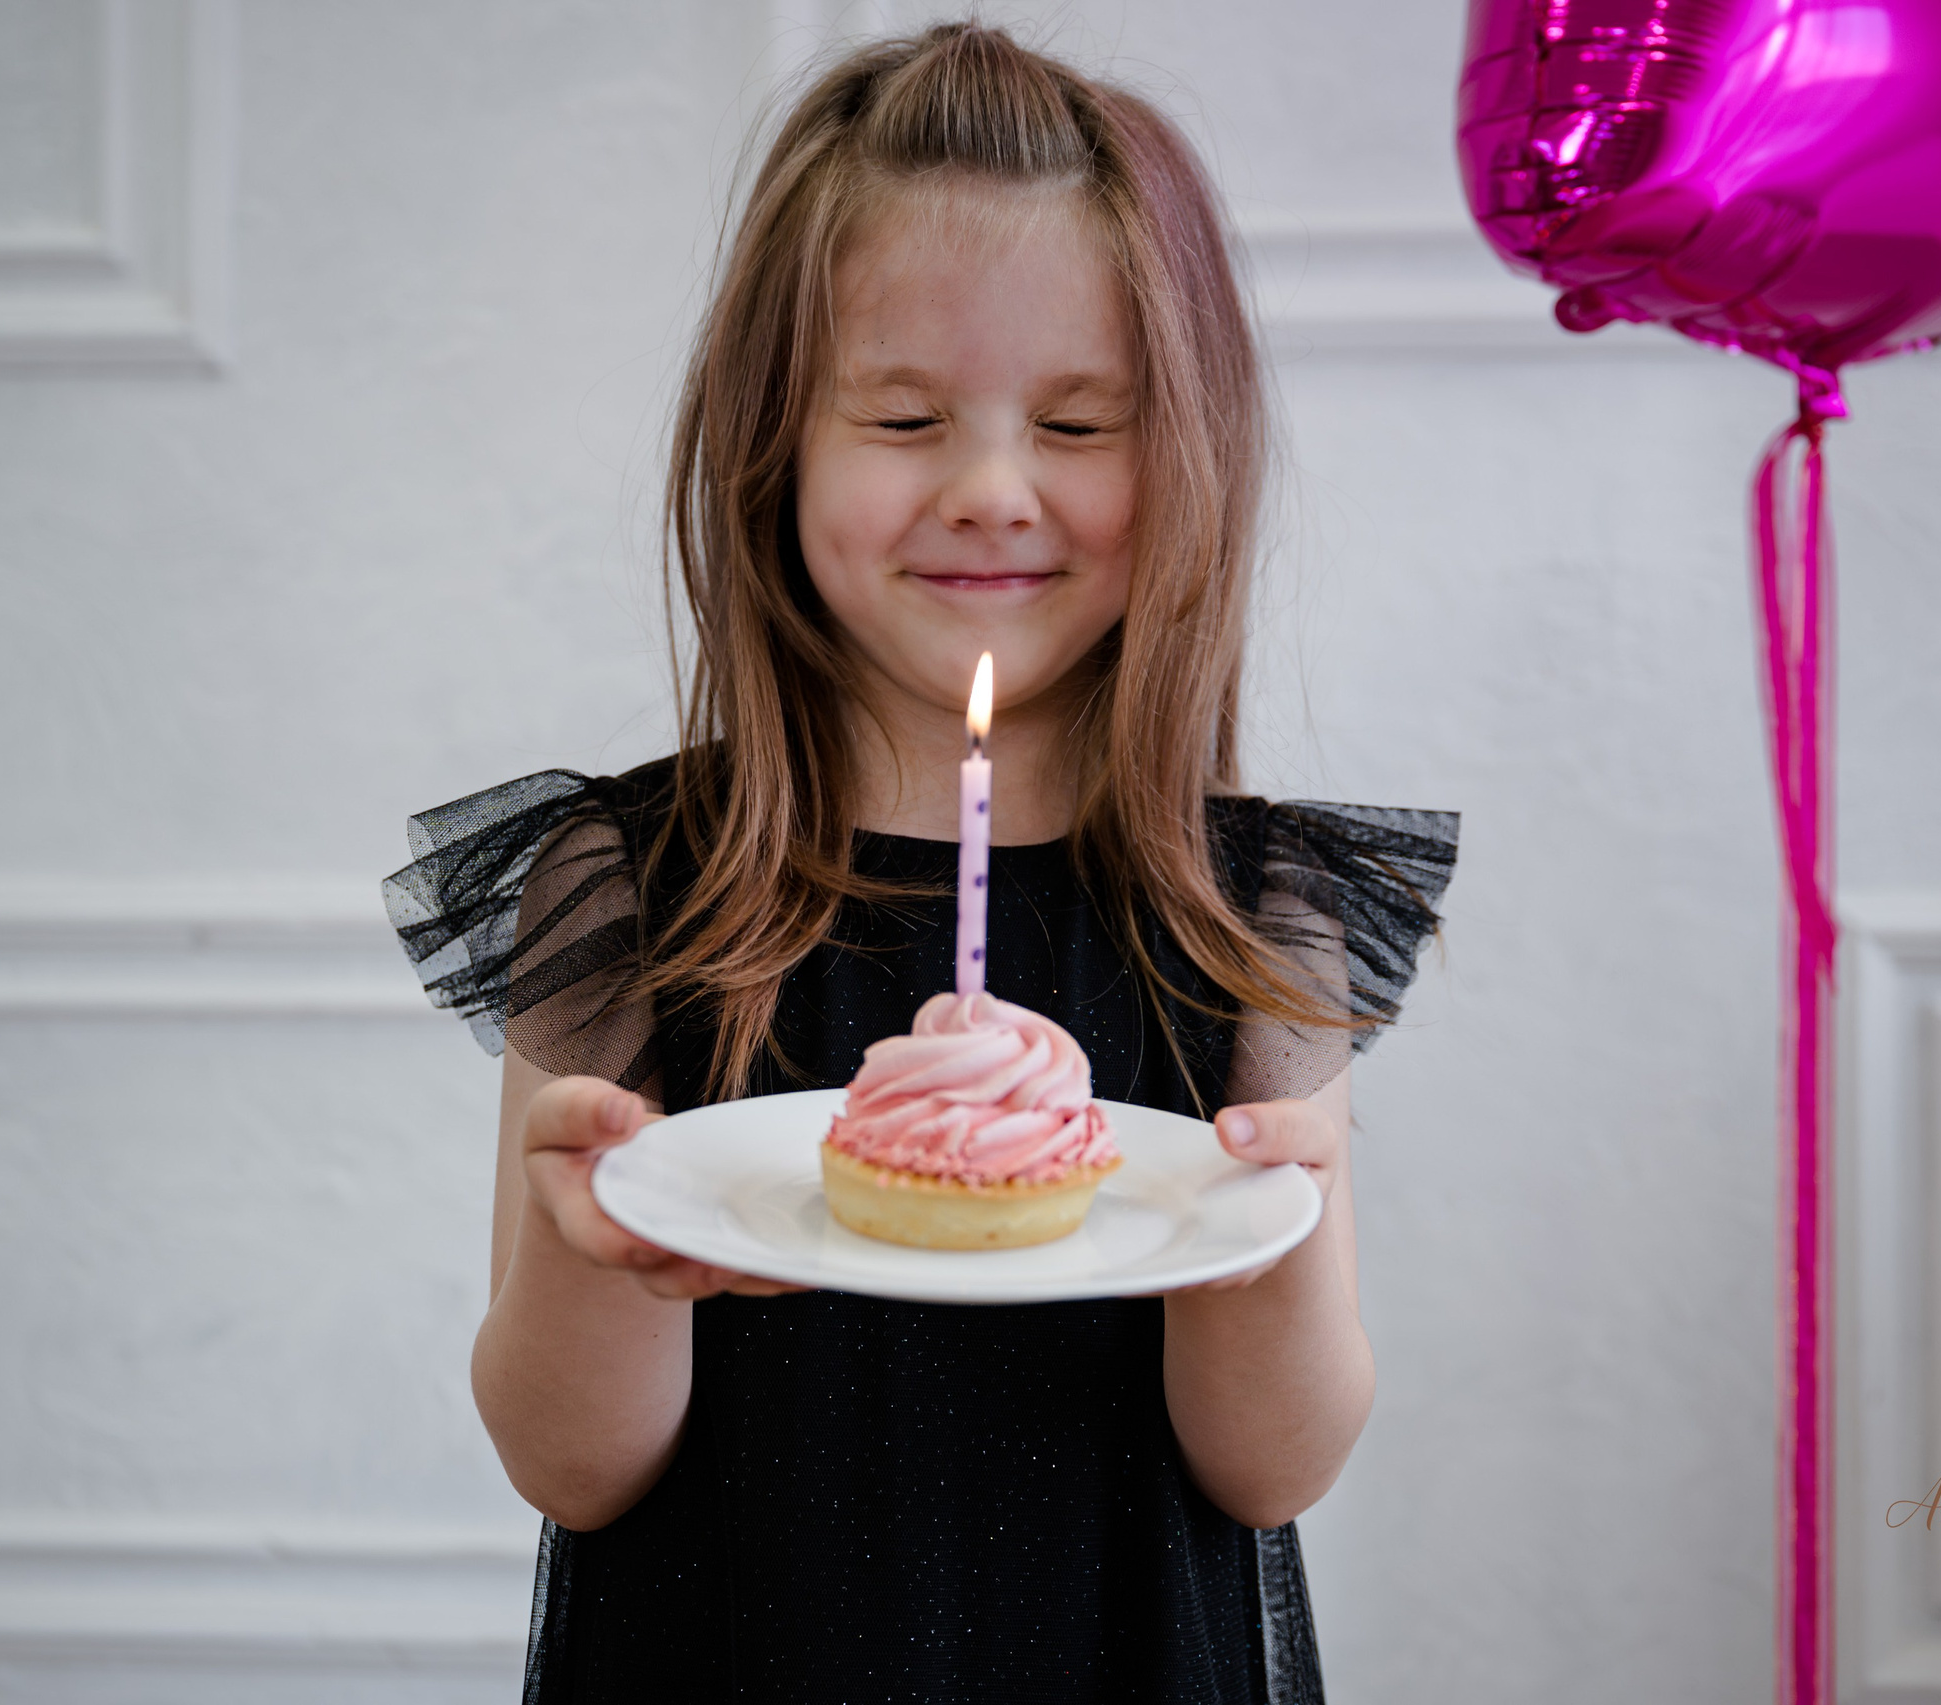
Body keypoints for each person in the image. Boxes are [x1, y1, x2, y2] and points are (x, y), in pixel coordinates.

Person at [385, 23, 1457, 1703]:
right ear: (772, 447)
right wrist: (599, 1255)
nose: (989, 489)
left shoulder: (1264, 916)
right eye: (902, 415)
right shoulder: (618, 889)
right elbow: (570, 1463)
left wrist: (1283, 1219)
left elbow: (1274, 1466)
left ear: (1188, 449)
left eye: (1081, 421)